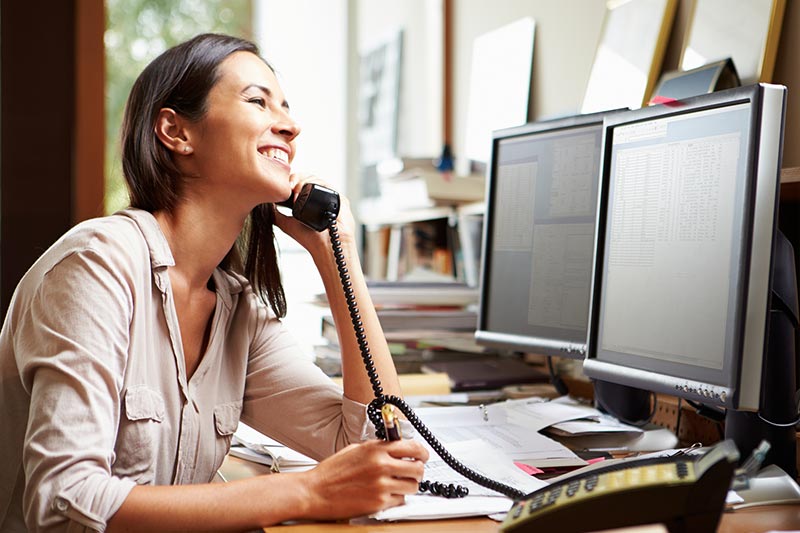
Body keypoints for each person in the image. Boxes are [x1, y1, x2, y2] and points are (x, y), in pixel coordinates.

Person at [0, 33, 428, 532]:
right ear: (176, 132)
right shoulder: (97, 265)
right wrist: (306, 491)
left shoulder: (236, 309)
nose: (290, 126)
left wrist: (339, 257)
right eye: (257, 101)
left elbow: (376, 447)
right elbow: (63, 501)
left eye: (286, 108)